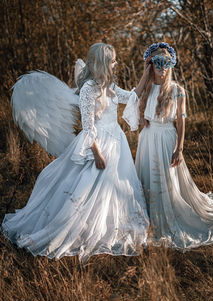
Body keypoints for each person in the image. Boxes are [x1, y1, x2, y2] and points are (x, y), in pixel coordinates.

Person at [1, 42, 150, 262]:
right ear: (102, 63)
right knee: (89, 188)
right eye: (113, 60)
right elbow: (89, 127)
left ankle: (112, 224)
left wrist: (146, 72)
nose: (116, 63)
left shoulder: (109, 85)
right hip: (97, 144)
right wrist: (97, 154)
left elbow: (132, 96)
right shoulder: (89, 89)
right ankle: (74, 228)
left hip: (116, 141)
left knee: (114, 187)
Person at [134, 42, 213, 249]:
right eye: (157, 63)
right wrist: (141, 113)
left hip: (166, 138)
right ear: (150, 64)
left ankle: (171, 214)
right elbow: (133, 104)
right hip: (147, 139)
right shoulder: (146, 88)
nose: (162, 67)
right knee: (148, 178)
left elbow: (181, 120)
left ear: (171, 65)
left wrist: (179, 149)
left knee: (167, 179)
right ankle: (148, 217)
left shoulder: (176, 90)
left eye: (166, 63)